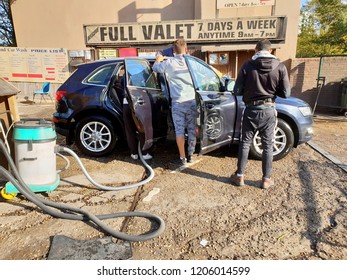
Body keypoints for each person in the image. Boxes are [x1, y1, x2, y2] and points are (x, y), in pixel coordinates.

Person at [230, 39, 291, 189]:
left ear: (256, 50)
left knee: (245, 143)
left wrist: (249, 90)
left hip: (251, 110)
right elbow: (286, 93)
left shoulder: (247, 66)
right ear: (270, 51)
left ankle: (240, 176)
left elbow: (236, 91)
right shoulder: (280, 67)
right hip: (269, 111)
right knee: (268, 145)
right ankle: (266, 179)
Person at [152, 38, 196, 165]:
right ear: (186, 49)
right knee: (192, 130)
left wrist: (159, 59)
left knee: (179, 131)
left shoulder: (169, 62)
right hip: (191, 101)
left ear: (173, 50)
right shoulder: (191, 62)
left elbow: (155, 68)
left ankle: (182, 158)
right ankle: (191, 155)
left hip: (178, 103)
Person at [120, 74, 152, 160]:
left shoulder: (125, 76)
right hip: (139, 103)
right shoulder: (142, 75)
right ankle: (144, 153)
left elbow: (121, 84)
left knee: (129, 129)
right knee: (142, 128)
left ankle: (134, 153)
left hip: (126, 103)